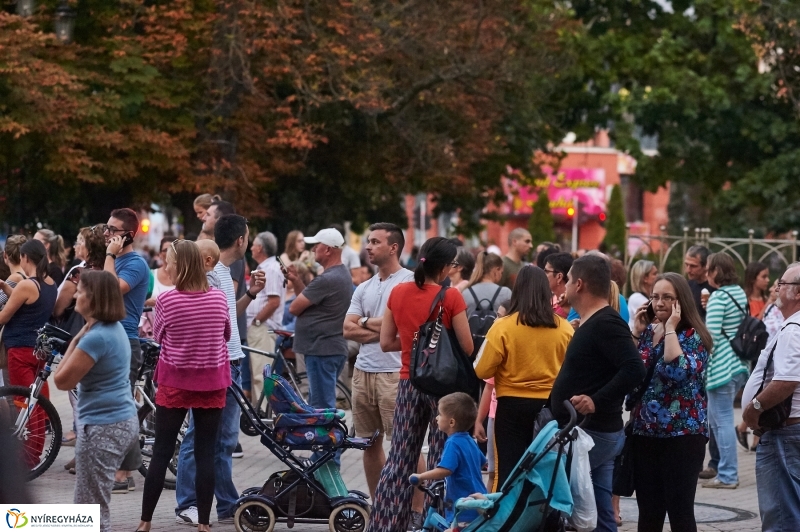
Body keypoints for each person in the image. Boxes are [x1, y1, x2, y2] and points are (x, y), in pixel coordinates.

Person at [369, 236, 473, 532]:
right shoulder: (451, 297)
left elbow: (386, 341)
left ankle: (387, 524)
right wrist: (436, 345)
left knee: (400, 458)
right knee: (441, 460)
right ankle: (436, 525)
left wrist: (416, 345)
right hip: (445, 390)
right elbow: (466, 347)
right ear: (444, 268)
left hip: (408, 383)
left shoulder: (397, 292)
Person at [175, 214, 264, 525]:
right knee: (199, 435)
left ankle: (227, 503)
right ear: (240, 240)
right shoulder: (210, 275)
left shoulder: (224, 273)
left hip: (232, 361)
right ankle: (187, 502)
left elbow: (227, 314)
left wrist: (250, 295)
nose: (249, 242)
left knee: (225, 439)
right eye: (248, 237)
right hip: (217, 364)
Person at [138, 240, 231, 532]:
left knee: (162, 452)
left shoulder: (167, 301)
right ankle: (204, 523)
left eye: (170, 262)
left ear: (182, 265)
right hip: (212, 382)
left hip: (175, 380)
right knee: (206, 453)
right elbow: (226, 334)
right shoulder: (218, 298)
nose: (167, 267)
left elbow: (160, 336)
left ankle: (145, 521)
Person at [549, 254, 645, 532]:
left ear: (579, 284)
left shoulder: (606, 322)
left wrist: (595, 400)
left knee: (567, 508)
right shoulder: (594, 321)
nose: (564, 286)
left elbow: (633, 368)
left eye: (567, 280)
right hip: (591, 432)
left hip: (592, 434)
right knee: (600, 514)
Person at [53, 270, 138, 532]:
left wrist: (77, 338)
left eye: (80, 290)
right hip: (117, 422)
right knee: (91, 504)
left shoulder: (96, 337)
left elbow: (60, 380)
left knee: (90, 508)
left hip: (103, 427)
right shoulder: (111, 329)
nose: (75, 294)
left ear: (94, 297)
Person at [474, 266, 573, 490]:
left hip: (511, 408)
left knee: (507, 473)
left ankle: (508, 520)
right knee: (547, 471)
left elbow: (481, 370)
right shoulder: (565, 329)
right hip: (551, 408)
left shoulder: (503, 327)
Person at [629, 272, 712, 531]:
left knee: (680, 512)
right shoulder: (649, 332)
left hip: (683, 436)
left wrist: (671, 329)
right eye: (655, 297)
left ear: (681, 302)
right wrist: (636, 331)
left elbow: (676, 371)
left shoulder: (693, 335)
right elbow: (632, 372)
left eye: (667, 297)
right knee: (649, 513)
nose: (659, 303)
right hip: (645, 434)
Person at [342, 223, 416, 504]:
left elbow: (403, 330)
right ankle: (380, 505)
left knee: (404, 446)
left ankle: (416, 510)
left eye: (374, 242)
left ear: (393, 247)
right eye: (368, 241)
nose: (368, 247)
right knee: (369, 444)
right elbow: (347, 329)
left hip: (394, 375)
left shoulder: (408, 283)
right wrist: (384, 327)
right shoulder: (365, 287)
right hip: (363, 373)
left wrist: (367, 324)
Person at [742, 262, 800, 531]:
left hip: (784, 434)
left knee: (780, 516)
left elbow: (786, 381)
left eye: (783, 283)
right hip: (788, 432)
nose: (776, 288)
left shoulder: (794, 329)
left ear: (797, 292)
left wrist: (753, 408)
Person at [286, 228, 352, 465]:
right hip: (326, 348)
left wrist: (297, 286)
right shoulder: (337, 276)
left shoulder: (328, 278)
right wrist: (296, 280)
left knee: (322, 409)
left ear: (328, 249)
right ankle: (321, 458)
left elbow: (295, 308)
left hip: (322, 349)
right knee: (319, 405)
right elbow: (308, 301)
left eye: (317, 245)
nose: (313, 249)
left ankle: (327, 461)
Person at [102, 208, 150, 491]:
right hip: (109, 338)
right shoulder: (116, 261)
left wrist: (108, 256)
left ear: (128, 235)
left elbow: (109, 290)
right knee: (113, 406)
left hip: (125, 341)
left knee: (122, 408)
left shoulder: (135, 264)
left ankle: (124, 474)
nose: (107, 233)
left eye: (112, 229)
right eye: (106, 228)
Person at [0, 239, 57, 468]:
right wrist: (5, 287)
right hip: (38, 349)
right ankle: (35, 452)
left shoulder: (26, 285)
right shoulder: (49, 283)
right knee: (38, 402)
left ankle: (29, 458)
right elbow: (29, 303)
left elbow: (3, 317)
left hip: (20, 350)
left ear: (24, 258)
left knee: (25, 403)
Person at [702, 252, 749, 489]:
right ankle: (725, 471)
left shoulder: (719, 297)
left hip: (722, 367)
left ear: (716, 271)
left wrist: (701, 363)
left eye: (708, 268)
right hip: (739, 365)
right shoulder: (738, 293)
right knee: (718, 420)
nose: (705, 273)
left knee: (721, 422)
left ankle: (728, 475)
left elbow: (710, 338)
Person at [409, 392, 486, 526]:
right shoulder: (469, 440)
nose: (437, 418)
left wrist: (421, 476)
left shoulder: (453, 443)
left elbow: (445, 470)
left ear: (451, 422)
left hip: (464, 507)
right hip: (477, 501)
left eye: (440, 415)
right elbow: (481, 462)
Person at [246, 231, 285, 401]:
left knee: (261, 373)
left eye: (254, 244)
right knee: (257, 371)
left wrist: (257, 321)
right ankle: (260, 411)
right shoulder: (266, 267)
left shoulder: (271, 269)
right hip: (260, 327)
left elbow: (274, 301)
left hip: (263, 327)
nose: (251, 247)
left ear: (260, 248)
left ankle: (263, 413)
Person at [461, 252, 511, 318]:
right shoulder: (505, 292)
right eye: (501, 272)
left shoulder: (466, 293)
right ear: (496, 270)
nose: (501, 276)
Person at [684, 245, 715, 320]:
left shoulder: (714, 288)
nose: (688, 270)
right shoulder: (688, 285)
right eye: (686, 265)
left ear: (705, 266)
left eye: (693, 266)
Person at [627, 260, 657, 329]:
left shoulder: (649, 297)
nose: (658, 276)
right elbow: (657, 319)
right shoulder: (636, 298)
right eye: (654, 274)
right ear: (645, 278)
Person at [545, 252, 573, 318]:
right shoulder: (552, 300)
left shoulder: (569, 305)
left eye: (546, 271)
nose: (543, 275)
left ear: (559, 277)